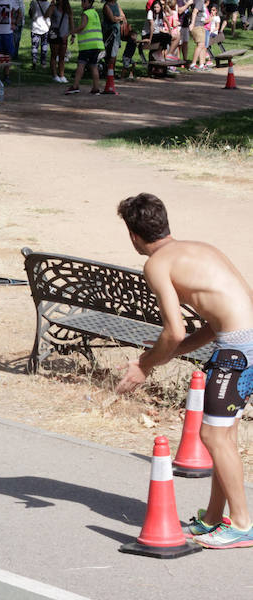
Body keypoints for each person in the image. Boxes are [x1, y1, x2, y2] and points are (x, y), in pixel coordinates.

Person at [115, 193, 253, 550]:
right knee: (224, 436)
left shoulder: (157, 264)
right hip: (242, 342)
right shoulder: (200, 248)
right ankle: (212, 518)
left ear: (133, 235)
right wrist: (178, 352)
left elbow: (173, 330)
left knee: (212, 438)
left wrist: (144, 365)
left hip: (238, 349)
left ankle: (242, 525)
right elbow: (214, 320)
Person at [65, 0, 104, 94]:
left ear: (89, 3)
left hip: (87, 45)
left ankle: (75, 86)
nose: (82, 3)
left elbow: (82, 26)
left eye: (84, 1)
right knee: (94, 66)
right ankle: (96, 88)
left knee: (81, 65)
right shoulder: (95, 13)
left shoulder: (85, 14)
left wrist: (71, 32)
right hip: (97, 44)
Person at [101, 0, 126, 84]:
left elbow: (123, 16)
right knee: (109, 52)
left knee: (114, 53)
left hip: (116, 32)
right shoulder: (106, 6)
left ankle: (112, 72)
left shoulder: (116, 4)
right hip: (109, 32)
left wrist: (118, 18)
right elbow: (112, 19)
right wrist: (119, 18)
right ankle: (108, 71)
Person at [48, 0, 73, 81]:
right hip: (54, 34)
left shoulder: (68, 9)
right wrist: (50, 6)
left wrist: (72, 34)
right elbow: (46, 16)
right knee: (54, 55)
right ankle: (55, 75)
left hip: (64, 35)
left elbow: (71, 22)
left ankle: (62, 75)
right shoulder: (54, 7)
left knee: (62, 56)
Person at [28, 0, 53, 69]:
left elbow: (30, 14)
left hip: (35, 27)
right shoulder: (48, 4)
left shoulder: (33, 2)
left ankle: (34, 61)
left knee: (34, 46)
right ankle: (43, 63)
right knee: (44, 45)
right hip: (46, 28)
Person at [188, 0, 208, 69]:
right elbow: (194, 12)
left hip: (201, 25)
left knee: (202, 45)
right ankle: (193, 64)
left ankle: (202, 64)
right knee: (200, 45)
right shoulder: (200, 0)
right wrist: (192, 24)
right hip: (197, 25)